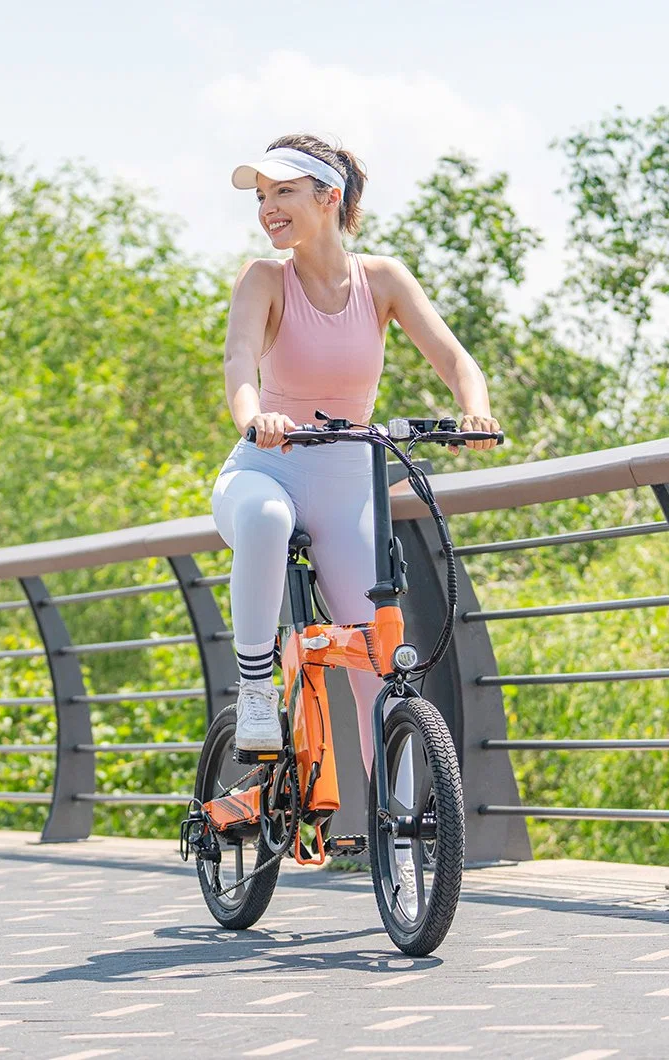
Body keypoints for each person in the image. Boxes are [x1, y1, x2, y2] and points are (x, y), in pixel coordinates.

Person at [212, 133, 500, 766]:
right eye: (261, 197)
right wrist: (254, 416)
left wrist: (473, 409)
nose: (268, 208)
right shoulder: (263, 279)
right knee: (265, 519)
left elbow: (454, 359)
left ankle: (395, 846)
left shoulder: (383, 279)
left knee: (379, 670)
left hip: (349, 485)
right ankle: (257, 689)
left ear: (329, 196)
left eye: (283, 191)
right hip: (267, 468)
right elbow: (238, 361)